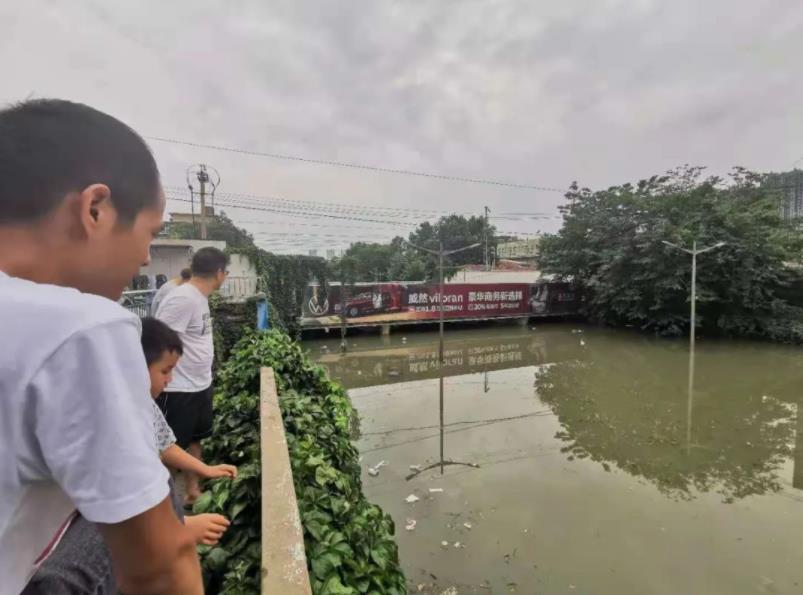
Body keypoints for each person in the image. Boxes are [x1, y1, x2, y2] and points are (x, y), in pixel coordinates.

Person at [0, 99, 201, 594]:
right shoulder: (81, 327)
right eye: (149, 235)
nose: (144, 257)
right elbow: (160, 568)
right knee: (158, 507)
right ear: (95, 209)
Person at [156, 246, 229, 505]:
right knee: (169, 451)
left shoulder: (199, 297)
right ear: (220, 273)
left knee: (196, 440)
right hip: (178, 390)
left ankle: (192, 492)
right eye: (226, 272)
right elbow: (160, 342)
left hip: (199, 385)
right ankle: (161, 508)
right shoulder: (183, 298)